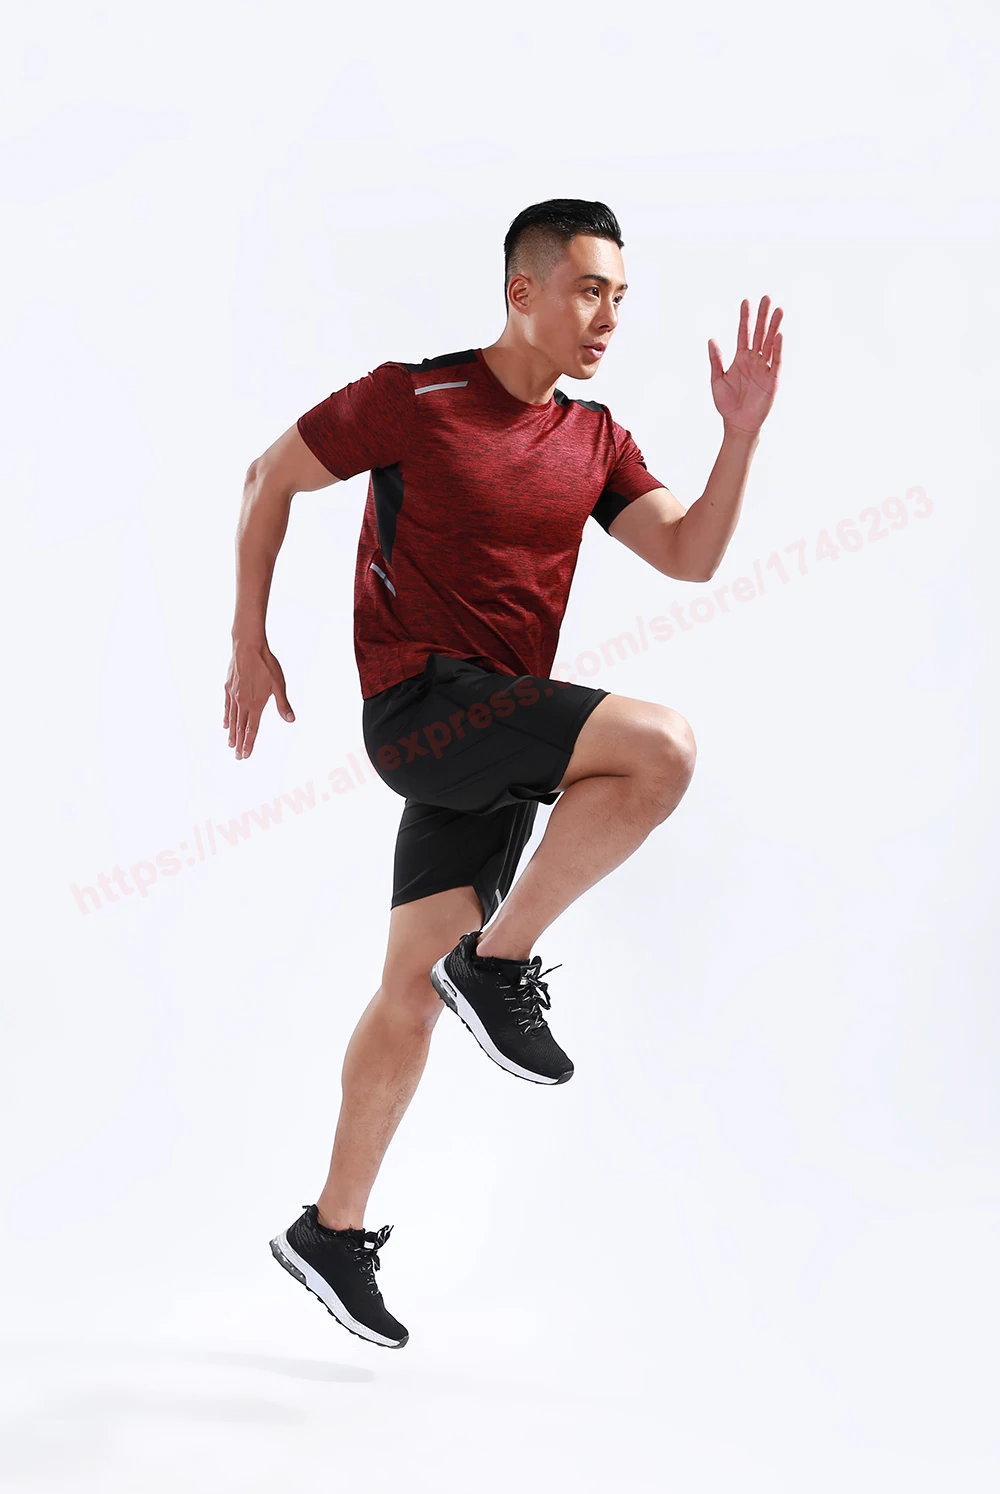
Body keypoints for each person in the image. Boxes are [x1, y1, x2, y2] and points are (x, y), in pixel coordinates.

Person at [224, 199, 783, 1349]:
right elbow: (266, 477)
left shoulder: (596, 439)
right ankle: (499, 961)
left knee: (408, 993)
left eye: (619, 297)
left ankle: (331, 1230)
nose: (607, 317)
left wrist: (739, 436)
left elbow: (688, 555)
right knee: (661, 747)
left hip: (494, 732)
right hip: (423, 704)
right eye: (587, 290)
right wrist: (249, 638)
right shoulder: (415, 398)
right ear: (522, 292)